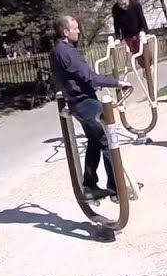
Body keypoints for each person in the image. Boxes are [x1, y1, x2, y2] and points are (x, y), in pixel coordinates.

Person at [50, 14, 131, 201]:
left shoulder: (58, 52)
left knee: (95, 141)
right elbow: (89, 77)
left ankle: (90, 185)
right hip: (85, 103)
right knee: (108, 140)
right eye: (75, 28)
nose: (78, 30)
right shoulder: (66, 53)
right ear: (65, 32)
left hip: (78, 102)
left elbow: (78, 78)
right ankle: (117, 188)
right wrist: (117, 82)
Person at [111, 0, 151, 72]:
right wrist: (118, 37)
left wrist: (147, 32)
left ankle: (149, 67)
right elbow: (116, 23)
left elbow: (142, 18)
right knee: (136, 54)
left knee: (144, 50)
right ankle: (145, 68)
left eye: (124, 3)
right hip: (127, 34)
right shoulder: (115, 9)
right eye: (120, 4)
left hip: (138, 31)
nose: (123, 6)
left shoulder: (135, 5)